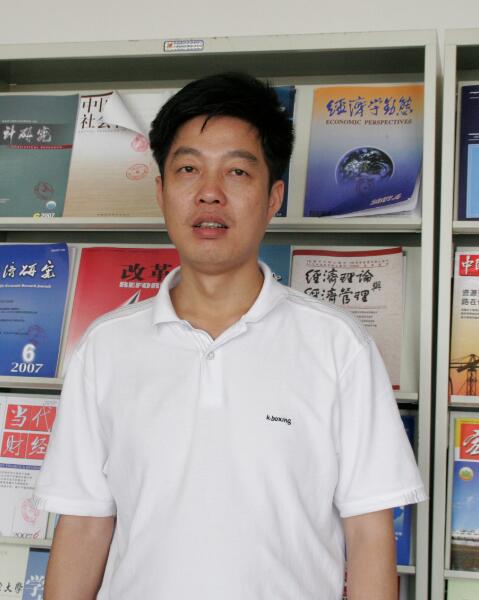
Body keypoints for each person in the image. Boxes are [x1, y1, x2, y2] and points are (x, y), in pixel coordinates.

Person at [35, 72, 426, 600]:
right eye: (188, 169)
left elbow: (369, 534)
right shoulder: (105, 348)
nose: (210, 193)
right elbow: (84, 525)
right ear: (161, 192)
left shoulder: (338, 345)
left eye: (237, 171)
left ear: (273, 197)